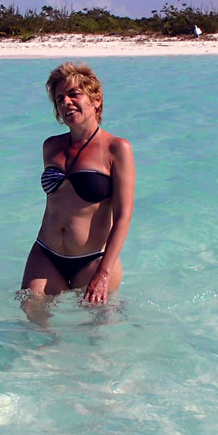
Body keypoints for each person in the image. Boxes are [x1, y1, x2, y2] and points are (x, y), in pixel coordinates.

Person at [21, 62, 134, 308]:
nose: (66, 102)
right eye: (59, 98)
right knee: (31, 316)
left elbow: (123, 216)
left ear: (96, 100)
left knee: (98, 328)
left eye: (74, 94)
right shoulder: (51, 147)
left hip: (93, 259)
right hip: (46, 253)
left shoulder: (117, 149)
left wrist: (103, 273)